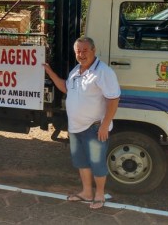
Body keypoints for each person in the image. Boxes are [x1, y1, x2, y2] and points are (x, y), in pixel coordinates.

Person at [43, 36, 120, 209]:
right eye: (78, 51)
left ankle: (99, 195)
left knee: (97, 162)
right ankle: (86, 192)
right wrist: (50, 72)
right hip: (76, 127)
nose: (81, 54)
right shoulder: (76, 70)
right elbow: (65, 87)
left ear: (93, 50)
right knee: (81, 162)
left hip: (94, 128)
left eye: (85, 50)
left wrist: (105, 125)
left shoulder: (103, 72)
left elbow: (113, 99)